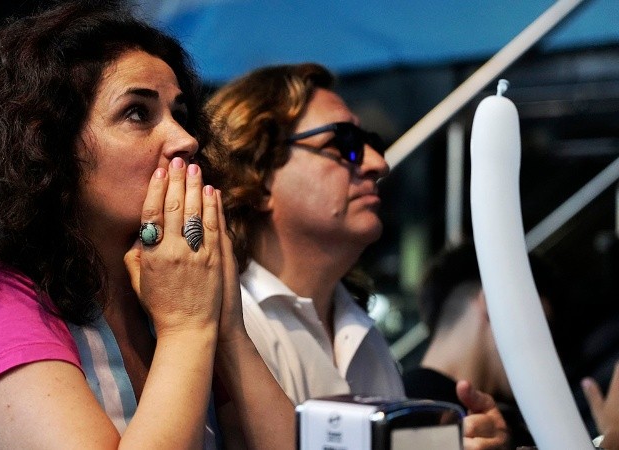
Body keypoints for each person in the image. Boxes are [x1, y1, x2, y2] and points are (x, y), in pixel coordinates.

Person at [0, 2, 293, 447]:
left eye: (180, 115)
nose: (186, 140)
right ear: (48, 146)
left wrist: (226, 328)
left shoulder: (157, 287)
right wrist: (187, 326)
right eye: (137, 114)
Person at [201, 62, 509, 449]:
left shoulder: (358, 326)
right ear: (259, 174)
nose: (378, 164)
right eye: (343, 143)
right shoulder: (227, 320)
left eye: (371, 144)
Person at [402, 241, 571, 448]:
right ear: (493, 302)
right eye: (541, 326)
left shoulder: (400, 401)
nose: (551, 354)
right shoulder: (421, 415)